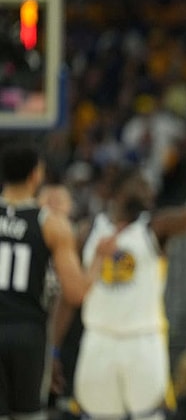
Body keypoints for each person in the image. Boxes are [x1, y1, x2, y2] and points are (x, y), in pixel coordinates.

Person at [71, 139, 186, 420]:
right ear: (120, 189)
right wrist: (54, 348)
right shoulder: (89, 230)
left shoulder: (154, 227)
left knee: (150, 415)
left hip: (142, 340)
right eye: (141, 183)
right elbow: (72, 292)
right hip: (98, 338)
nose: (148, 190)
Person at [0, 144, 95, 420]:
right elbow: (75, 293)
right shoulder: (51, 224)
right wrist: (98, 262)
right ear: (35, 176)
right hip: (27, 333)